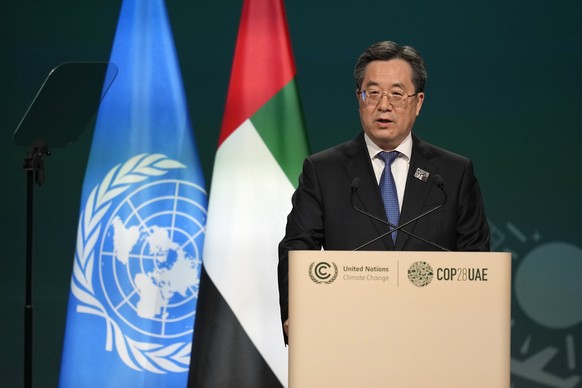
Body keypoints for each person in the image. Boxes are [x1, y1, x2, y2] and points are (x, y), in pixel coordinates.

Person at [277, 40, 490, 342]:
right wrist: (295, 311)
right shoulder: (323, 171)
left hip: (435, 337)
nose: (384, 105)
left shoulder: (453, 174)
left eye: (397, 94)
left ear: (418, 102)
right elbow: (297, 246)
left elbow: (476, 258)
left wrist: (475, 324)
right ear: (359, 98)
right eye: (373, 93)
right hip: (348, 334)